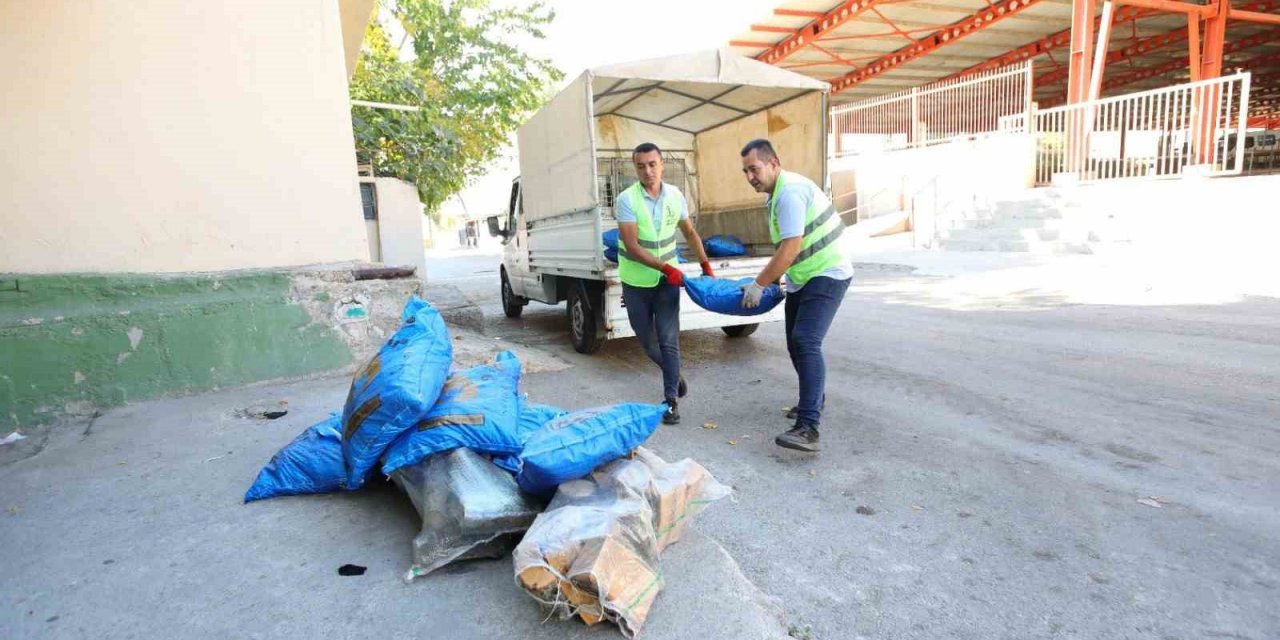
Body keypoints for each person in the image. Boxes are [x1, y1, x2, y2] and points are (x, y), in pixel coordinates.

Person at [739, 139, 853, 452]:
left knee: (805, 341)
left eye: (755, 168)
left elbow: (790, 247)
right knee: (794, 343)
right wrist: (781, 279)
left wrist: (760, 283)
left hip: (828, 272)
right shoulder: (776, 195)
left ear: (773, 163)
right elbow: (789, 250)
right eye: (746, 171)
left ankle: (808, 427)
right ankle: (814, 398)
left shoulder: (788, 193)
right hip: (805, 277)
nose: (750, 176)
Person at [616, 142, 715, 425]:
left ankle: (670, 400)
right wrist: (665, 268)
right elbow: (633, 246)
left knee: (669, 340)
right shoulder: (627, 199)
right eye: (641, 166)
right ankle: (674, 374)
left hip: (666, 283)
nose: (647, 171)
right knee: (648, 343)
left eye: (652, 164)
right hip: (636, 282)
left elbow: (690, 232)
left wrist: (705, 265)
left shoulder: (675, 195)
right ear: (635, 168)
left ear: (661, 165)